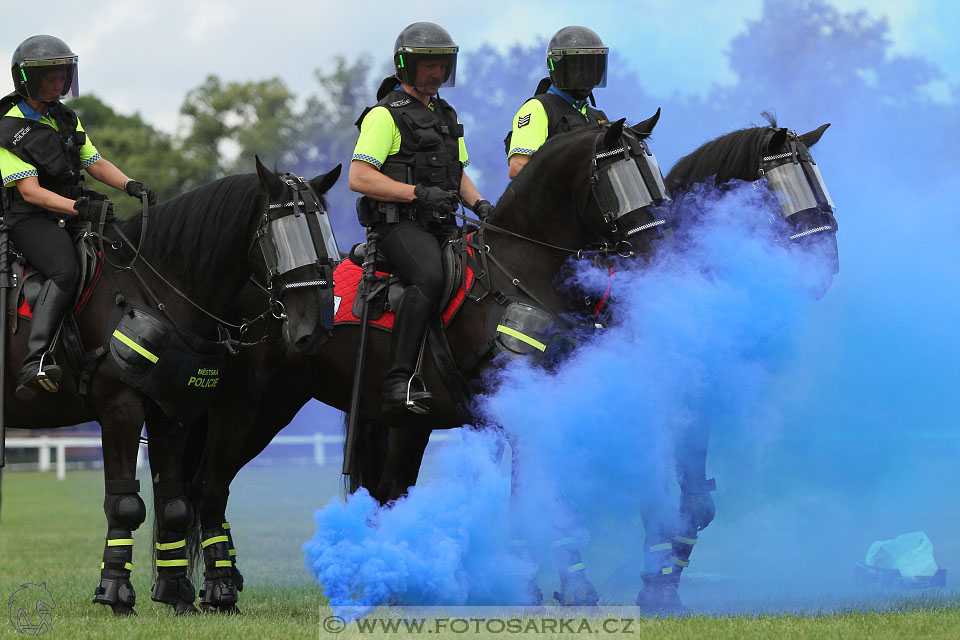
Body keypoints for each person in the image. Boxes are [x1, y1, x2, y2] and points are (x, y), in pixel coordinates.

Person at [0, 35, 156, 400]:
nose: (59, 84)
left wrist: (130, 185)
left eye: (63, 76)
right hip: (30, 220)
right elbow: (30, 192)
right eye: (50, 78)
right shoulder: (6, 130)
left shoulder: (64, 117)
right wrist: (79, 209)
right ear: (26, 80)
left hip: (70, 213)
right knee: (64, 270)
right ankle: (34, 360)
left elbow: (94, 162)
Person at [349, 22, 494, 414]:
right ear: (404, 66)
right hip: (397, 225)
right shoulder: (384, 115)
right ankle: (398, 382)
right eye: (428, 65)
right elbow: (359, 177)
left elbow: (456, 172)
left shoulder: (446, 113)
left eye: (443, 65)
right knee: (429, 276)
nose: (437, 73)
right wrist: (416, 193)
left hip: (441, 224)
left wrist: (481, 205)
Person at [506, 26, 610, 179]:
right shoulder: (538, 108)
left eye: (591, 66)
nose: (586, 74)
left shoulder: (597, 116)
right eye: (578, 67)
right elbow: (518, 168)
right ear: (556, 66)